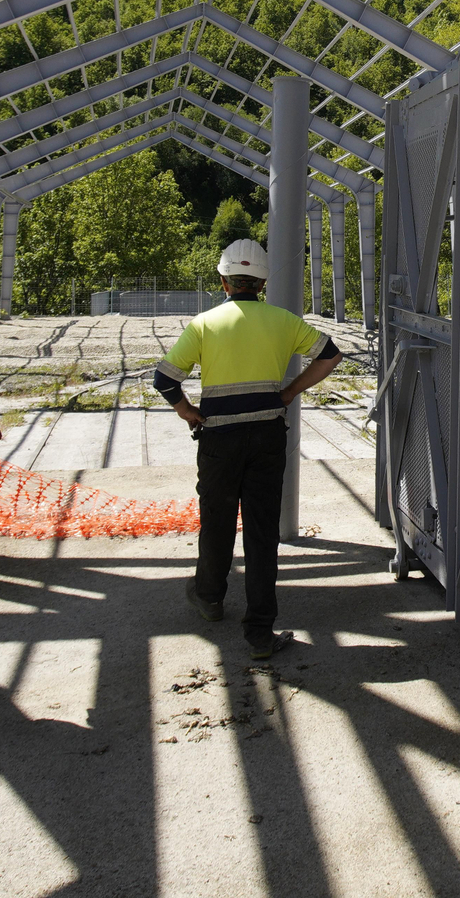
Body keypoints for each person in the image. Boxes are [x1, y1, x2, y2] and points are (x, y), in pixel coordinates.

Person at [153, 238, 342, 658]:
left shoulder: (203, 324)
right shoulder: (283, 321)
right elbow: (330, 355)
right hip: (267, 435)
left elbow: (164, 380)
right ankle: (259, 631)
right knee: (261, 531)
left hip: (219, 438)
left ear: (223, 281)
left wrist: (187, 411)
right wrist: (290, 390)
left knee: (217, 520)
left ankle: (209, 596)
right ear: (262, 282)